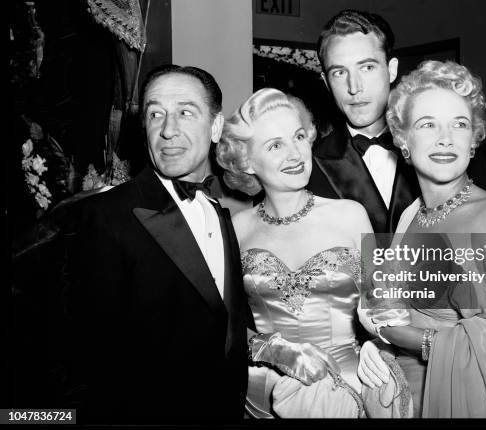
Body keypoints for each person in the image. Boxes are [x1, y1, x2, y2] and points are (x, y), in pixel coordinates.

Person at [357, 60, 486, 425]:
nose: (445, 138)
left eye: (459, 124)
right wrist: (378, 345)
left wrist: (414, 339)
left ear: (474, 139)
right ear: (403, 140)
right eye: (427, 124)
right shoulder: (411, 214)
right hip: (405, 401)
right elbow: (392, 311)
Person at [62, 65, 250, 424]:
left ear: (215, 127)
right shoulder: (104, 215)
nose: (168, 130)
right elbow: (88, 359)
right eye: (155, 114)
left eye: (184, 112)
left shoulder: (220, 214)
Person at [216, 88, 376, 418]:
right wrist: (272, 348)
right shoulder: (234, 228)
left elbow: (386, 306)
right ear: (247, 162)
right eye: (276, 145)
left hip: (347, 387)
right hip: (263, 394)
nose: (296, 153)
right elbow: (221, 326)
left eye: (299, 136)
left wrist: (380, 344)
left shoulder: (351, 214)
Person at [307, 9, 419, 233]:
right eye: (339, 72)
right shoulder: (309, 166)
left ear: (392, 69)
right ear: (326, 82)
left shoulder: (435, 147)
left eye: (367, 67)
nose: (354, 87)